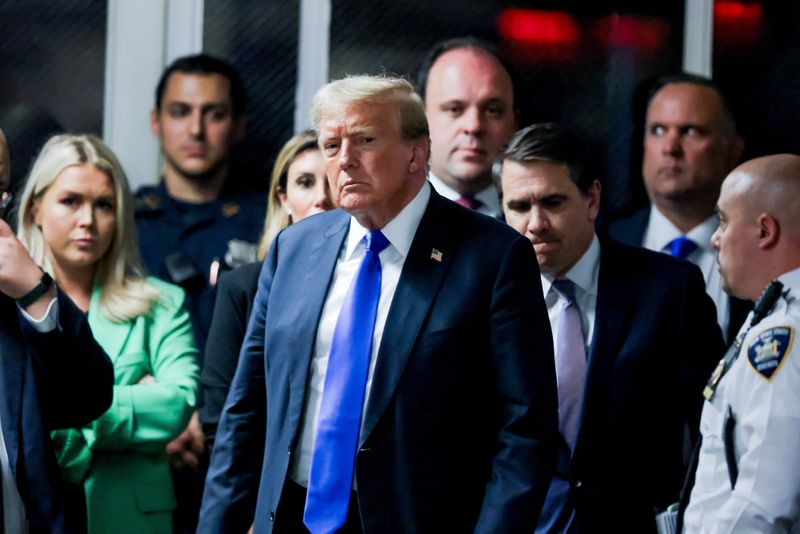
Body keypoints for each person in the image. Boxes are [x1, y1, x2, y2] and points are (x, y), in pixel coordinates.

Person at [198, 75, 558, 533]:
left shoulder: (493, 256)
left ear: (417, 153)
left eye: (365, 140)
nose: (344, 160)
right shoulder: (295, 248)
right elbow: (245, 409)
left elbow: (525, 431)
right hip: (291, 515)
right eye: (331, 145)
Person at [495, 123, 725, 532]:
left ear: (592, 199)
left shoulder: (670, 290)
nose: (535, 223)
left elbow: (717, 427)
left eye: (552, 202)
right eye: (519, 206)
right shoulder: (484, 300)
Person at [16, 134, 200, 533]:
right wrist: (134, 401)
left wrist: (60, 420)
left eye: (104, 205)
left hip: (133, 519)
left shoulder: (161, 302)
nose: (88, 220)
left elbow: (177, 401)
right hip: (35, 516)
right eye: (71, 201)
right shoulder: (10, 308)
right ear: (35, 209)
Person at [0, 129, 113, 533]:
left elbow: (89, 398)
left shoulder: (15, 296)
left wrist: (36, 293)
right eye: (70, 202)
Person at [683, 154, 800, 531]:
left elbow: (764, 504)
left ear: (765, 231)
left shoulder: (782, 336)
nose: (715, 239)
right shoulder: (775, 318)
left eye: (723, 220)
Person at [200, 131, 331, 450]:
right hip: (263, 481)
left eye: (333, 180)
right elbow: (219, 421)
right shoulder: (243, 287)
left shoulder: (373, 282)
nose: (322, 198)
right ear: (283, 197)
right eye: (305, 182)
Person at [135, 53, 265, 354]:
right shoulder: (123, 220)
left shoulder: (266, 223)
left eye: (214, 114)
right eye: (180, 112)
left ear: (238, 125)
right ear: (157, 122)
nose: (196, 129)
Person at [606, 73, 750, 344]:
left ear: (732, 150)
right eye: (658, 130)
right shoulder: (601, 241)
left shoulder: (765, 254)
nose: (670, 148)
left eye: (690, 131)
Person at [415, 37, 517, 217]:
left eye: (492, 110)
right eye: (454, 109)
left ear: (515, 122)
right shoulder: (378, 215)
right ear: (419, 119)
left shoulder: (539, 227)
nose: (474, 126)